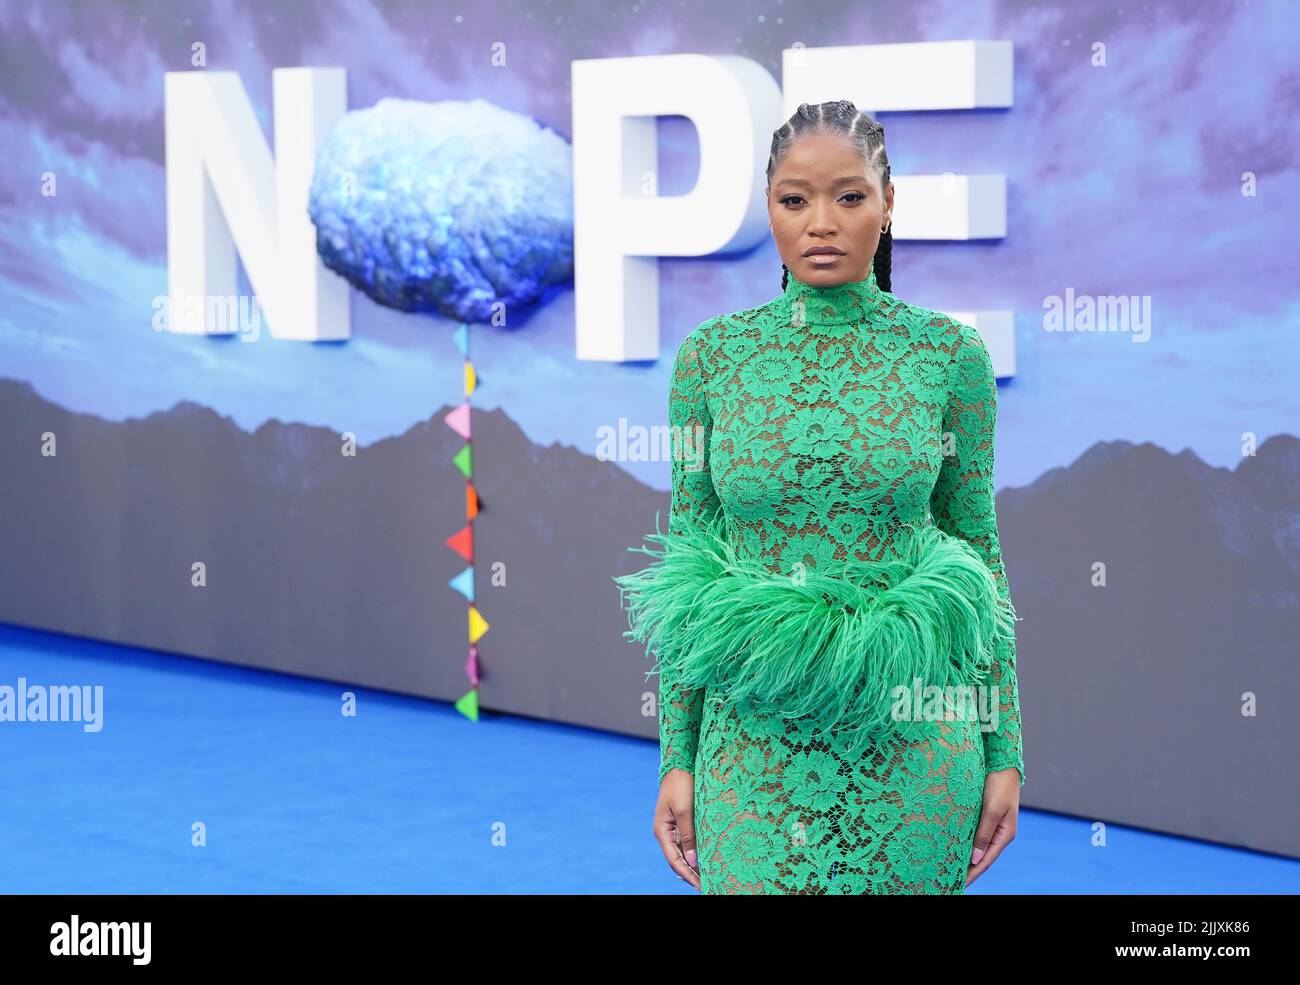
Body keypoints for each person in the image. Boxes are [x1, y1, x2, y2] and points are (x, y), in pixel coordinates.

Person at [615, 100, 1023, 894]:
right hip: (752, 740)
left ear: (888, 201)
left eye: (849, 196)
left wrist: (1002, 745)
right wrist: (677, 755)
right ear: (769, 208)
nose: (821, 222)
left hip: (913, 736)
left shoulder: (948, 355)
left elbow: (978, 555)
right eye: (794, 199)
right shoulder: (712, 359)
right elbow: (690, 574)